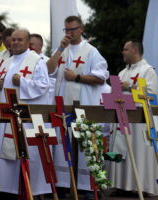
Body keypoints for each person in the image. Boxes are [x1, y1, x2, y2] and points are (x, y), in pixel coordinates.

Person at [46, 15, 109, 199]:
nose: (69, 33)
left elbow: (101, 77)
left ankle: (88, 188)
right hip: (62, 110)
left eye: (73, 29)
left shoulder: (91, 52)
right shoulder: (61, 51)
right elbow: (48, 70)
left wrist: (78, 78)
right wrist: (59, 49)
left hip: (84, 109)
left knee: (84, 148)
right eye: (66, 30)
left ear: (81, 29)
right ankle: (62, 185)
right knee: (61, 147)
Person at [0, 29, 51, 198]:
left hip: (25, 119)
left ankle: (25, 190)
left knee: (24, 155)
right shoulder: (5, 62)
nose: (15, 42)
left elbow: (43, 86)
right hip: (5, 120)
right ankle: (5, 191)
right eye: (13, 40)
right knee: (5, 156)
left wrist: (23, 82)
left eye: (19, 40)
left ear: (27, 42)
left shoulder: (37, 61)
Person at [107, 39, 158, 195]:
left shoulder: (148, 71)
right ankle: (122, 186)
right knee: (120, 150)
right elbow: (116, 95)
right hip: (121, 118)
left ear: (135, 51)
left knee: (138, 153)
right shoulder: (122, 73)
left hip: (139, 121)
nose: (122, 52)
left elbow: (151, 96)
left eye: (125, 49)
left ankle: (141, 187)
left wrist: (130, 87)